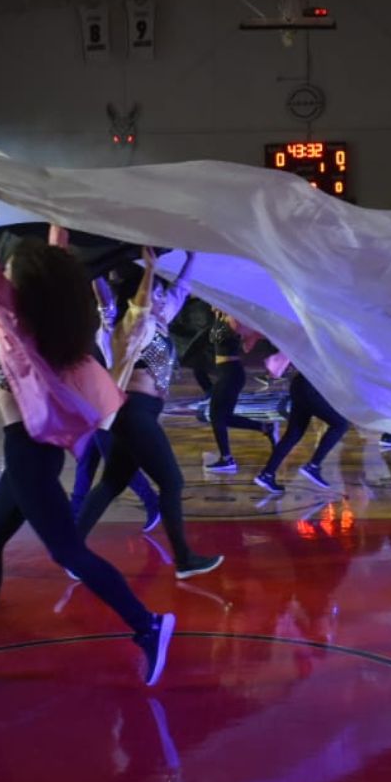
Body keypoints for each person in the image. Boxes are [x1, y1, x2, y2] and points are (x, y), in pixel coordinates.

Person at [0, 172, 174, 686]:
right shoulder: (51, 314)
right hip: (26, 453)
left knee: (67, 551)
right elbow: (56, 259)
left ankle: (147, 624)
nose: (5, 273)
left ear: (24, 287)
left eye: (13, 270)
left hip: (29, 453)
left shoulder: (18, 320)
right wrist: (57, 213)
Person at [76, 247, 223, 581]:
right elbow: (109, 301)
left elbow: (181, 289)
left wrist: (192, 258)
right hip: (133, 412)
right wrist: (104, 268)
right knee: (172, 481)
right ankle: (184, 559)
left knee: (112, 482)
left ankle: (71, 549)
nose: (160, 296)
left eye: (159, 292)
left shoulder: (160, 320)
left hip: (140, 415)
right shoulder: (128, 324)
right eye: (154, 292)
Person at [69, 273, 162, 530]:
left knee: (113, 463)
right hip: (95, 403)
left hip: (111, 407)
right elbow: (105, 303)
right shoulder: (109, 327)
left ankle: (152, 502)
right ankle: (75, 512)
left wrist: (94, 271)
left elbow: (104, 300)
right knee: (88, 458)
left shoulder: (123, 330)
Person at [205, 310, 278, 473]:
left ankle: (227, 459)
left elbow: (251, 339)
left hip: (232, 373)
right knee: (223, 417)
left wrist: (252, 337)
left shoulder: (234, 317)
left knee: (217, 417)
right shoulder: (219, 316)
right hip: (224, 372)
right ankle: (265, 427)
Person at [253, 369, 349, 492]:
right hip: (311, 387)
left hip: (300, 384)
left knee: (294, 433)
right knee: (341, 424)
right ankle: (313, 466)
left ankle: (267, 474)